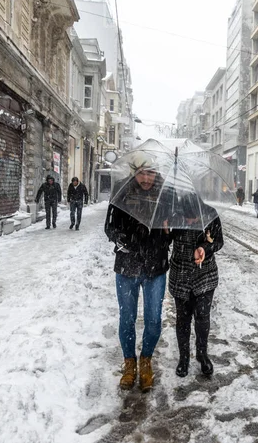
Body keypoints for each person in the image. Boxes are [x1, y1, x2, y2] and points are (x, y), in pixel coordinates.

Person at [104, 152, 171, 392]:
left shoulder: (167, 194)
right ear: (134, 172)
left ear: (157, 173)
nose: (146, 178)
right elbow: (109, 227)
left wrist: (167, 230)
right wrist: (122, 239)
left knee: (153, 320)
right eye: (141, 173)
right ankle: (129, 363)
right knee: (127, 318)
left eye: (150, 173)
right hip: (127, 265)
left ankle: (146, 361)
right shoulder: (122, 189)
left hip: (156, 266)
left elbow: (174, 228)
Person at [168, 194, 224, 377]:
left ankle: (202, 354)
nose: (191, 221)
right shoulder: (174, 215)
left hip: (205, 275)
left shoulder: (211, 214)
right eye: (188, 218)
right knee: (183, 319)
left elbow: (218, 241)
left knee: (202, 317)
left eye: (194, 218)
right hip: (181, 274)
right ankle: (184, 358)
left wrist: (204, 249)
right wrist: (166, 231)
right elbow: (166, 242)